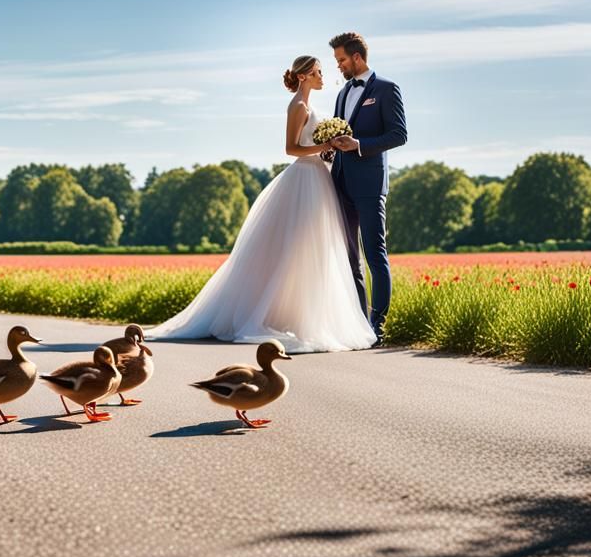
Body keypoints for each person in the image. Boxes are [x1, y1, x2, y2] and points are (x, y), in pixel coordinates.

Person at [148, 54, 377, 352]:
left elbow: (308, 147)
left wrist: (326, 151)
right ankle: (273, 315)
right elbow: (291, 148)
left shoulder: (310, 106)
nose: (324, 77)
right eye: (319, 72)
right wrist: (327, 145)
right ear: (305, 75)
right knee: (295, 249)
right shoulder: (297, 106)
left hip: (319, 178)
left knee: (313, 251)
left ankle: (302, 316)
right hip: (303, 181)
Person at [326, 32, 407, 345]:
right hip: (341, 182)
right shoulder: (343, 91)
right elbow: (338, 128)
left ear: (357, 57)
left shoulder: (387, 89)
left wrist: (359, 145)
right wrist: (329, 148)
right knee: (350, 258)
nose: (339, 66)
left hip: (370, 185)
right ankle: (359, 326)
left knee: (375, 255)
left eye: (342, 60)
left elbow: (399, 134)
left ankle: (378, 327)